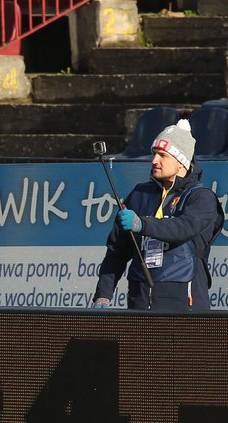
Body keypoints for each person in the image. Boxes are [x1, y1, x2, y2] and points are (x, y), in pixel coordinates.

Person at [92, 119, 223, 310]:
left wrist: (142, 225)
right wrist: (104, 293)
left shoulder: (202, 197)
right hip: (140, 299)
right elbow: (117, 250)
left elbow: (183, 228)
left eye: (162, 155)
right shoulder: (139, 194)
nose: (154, 160)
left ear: (181, 162)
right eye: (154, 154)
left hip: (185, 302)